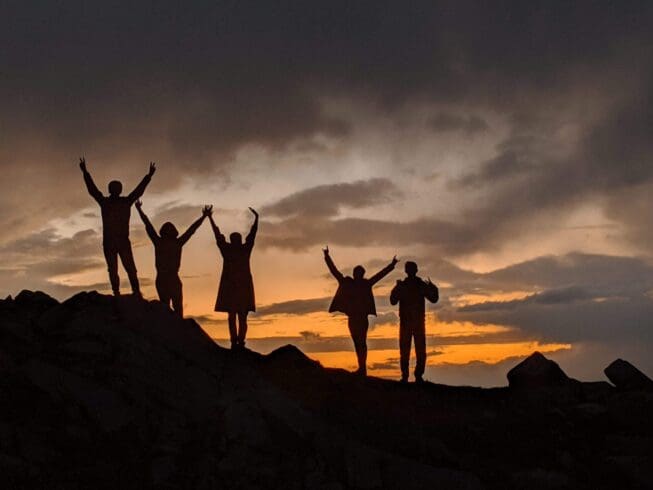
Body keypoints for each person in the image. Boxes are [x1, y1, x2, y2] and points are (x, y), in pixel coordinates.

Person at [79, 157, 156, 297]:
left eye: (117, 187)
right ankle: (120, 292)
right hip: (112, 242)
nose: (115, 189)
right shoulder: (111, 202)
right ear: (113, 190)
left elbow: (137, 192)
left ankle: (133, 291)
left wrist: (148, 176)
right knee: (115, 269)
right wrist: (85, 173)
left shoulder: (119, 202)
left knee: (128, 269)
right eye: (114, 188)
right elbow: (93, 190)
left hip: (119, 242)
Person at [323, 247, 398, 376]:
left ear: (360, 274)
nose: (357, 274)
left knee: (361, 342)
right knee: (358, 342)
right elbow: (334, 271)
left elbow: (380, 275)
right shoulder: (350, 282)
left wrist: (392, 265)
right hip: (354, 318)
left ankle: (362, 368)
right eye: (356, 272)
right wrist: (327, 256)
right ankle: (361, 368)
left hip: (360, 318)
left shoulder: (364, 284)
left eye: (358, 272)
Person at [135, 200, 212, 317]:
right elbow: (191, 230)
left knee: (170, 309)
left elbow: (191, 230)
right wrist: (139, 210)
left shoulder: (164, 242)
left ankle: (173, 331)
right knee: (171, 310)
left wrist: (203, 217)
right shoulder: (171, 243)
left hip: (168, 279)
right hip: (167, 279)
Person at [209, 208, 259, 349]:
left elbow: (252, 235)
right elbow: (218, 235)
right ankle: (236, 342)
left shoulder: (239, 250)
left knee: (238, 317)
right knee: (235, 317)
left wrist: (257, 219)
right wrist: (210, 219)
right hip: (235, 287)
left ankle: (239, 342)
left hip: (239, 287)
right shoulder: (235, 250)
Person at [390, 261, 439, 383]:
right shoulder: (416, 285)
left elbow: (393, 300)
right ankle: (412, 376)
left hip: (412, 322)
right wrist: (433, 288)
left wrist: (433, 288)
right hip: (411, 322)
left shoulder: (411, 285)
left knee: (411, 350)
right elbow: (434, 299)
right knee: (414, 350)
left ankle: (410, 376)